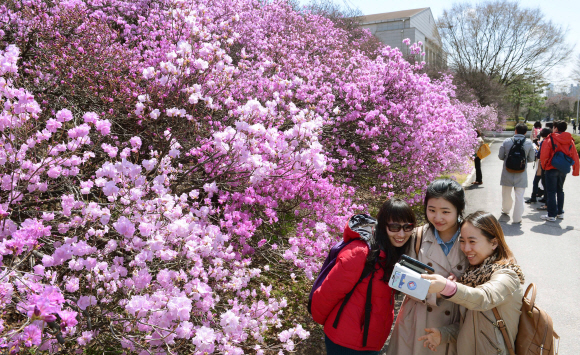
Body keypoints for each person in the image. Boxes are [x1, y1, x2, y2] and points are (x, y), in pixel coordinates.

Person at [311, 198, 417, 354]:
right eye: (394, 227)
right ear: (383, 226)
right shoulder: (361, 253)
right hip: (344, 341)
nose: (401, 233)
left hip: (371, 341)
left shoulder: (394, 253)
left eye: (407, 227)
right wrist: (323, 321)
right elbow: (328, 294)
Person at [418, 211, 525, 355]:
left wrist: (447, 287)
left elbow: (483, 297)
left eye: (472, 241)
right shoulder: (473, 274)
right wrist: (444, 334)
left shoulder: (506, 275)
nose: (466, 248)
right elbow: (474, 326)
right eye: (462, 241)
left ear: (493, 243)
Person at [386, 179, 469, 355]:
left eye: (445, 211)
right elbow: (401, 281)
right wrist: (438, 291)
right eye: (432, 210)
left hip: (453, 322)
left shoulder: (470, 236)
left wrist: (457, 287)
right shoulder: (418, 236)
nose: (437, 218)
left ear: (458, 210)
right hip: (418, 320)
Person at [539, 121, 580, 221]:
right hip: (563, 168)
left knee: (551, 192)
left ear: (556, 128)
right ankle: (560, 212)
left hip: (551, 168)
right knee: (560, 190)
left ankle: (551, 215)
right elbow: (575, 155)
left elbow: (544, 155)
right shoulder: (570, 140)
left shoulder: (550, 139)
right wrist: (575, 170)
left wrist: (544, 167)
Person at [498, 123, 535, 223]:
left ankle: (506, 210)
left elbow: (501, 156)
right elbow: (531, 158)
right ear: (525, 132)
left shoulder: (507, 141)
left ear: (515, 130)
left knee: (506, 193)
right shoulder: (528, 143)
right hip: (521, 173)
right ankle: (517, 218)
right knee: (519, 196)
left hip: (507, 172)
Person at [526, 127, 551, 204]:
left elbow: (539, 156)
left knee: (536, 181)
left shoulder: (544, 142)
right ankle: (545, 198)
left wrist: (536, 150)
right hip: (549, 165)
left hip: (542, 165)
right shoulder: (551, 141)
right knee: (545, 183)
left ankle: (534, 198)